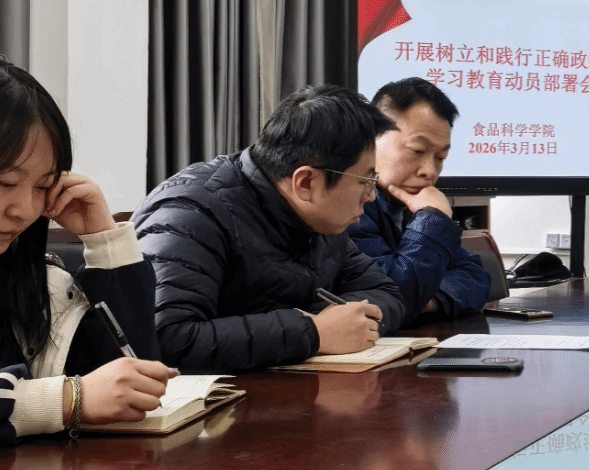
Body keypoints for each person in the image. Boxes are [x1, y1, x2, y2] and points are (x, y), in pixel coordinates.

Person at [134, 86, 406, 373]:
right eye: (365, 181)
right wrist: (313, 332)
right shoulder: (191, 212)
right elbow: (167, 339)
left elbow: (384, 292)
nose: (371, 196)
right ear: (306, 183)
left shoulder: (320, 219)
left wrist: (340, 323)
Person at [0, 58, 175, 442]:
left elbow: (130, 381)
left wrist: (105, 240)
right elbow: (85, 394)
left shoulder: (33, 279)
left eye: (41, 187)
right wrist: (66, 399)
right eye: (6, 182)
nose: (24, 210)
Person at [347, 78, 491, 323]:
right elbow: (394, 295)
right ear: (372, 138)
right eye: (417, 151)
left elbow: (476, 277)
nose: (430, 172)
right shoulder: (347, 205)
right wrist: (433, 220)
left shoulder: (415, 205)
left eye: (440, 157)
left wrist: (425, 300)